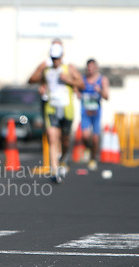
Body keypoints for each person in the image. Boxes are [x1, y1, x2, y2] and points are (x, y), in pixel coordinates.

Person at [28, 43, 85, 183]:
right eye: (53, 58)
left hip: (66, 108)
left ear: (62, 57)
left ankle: (63, 158)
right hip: (51, 107)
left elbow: (82, 84)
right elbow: (32, 80)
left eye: (57, 58)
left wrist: (69, 80)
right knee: (53, 138)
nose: (55, 61)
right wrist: (41, 85)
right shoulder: (46, 69)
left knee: (65, 139)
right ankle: (54, 170)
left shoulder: (69, 68)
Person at [76, 58, 109, 171]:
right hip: (85, 112)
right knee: (85, 136)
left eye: (92, 67)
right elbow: (76, 87)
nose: (90, 70)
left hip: (96, 112)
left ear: (96, 68)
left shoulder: (102, 79)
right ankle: (88, 149)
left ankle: (93, 158)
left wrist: (99, 90)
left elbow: (107, 96)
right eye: (88, 67)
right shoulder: (83, 79)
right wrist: (78, 93)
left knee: (95, 138)